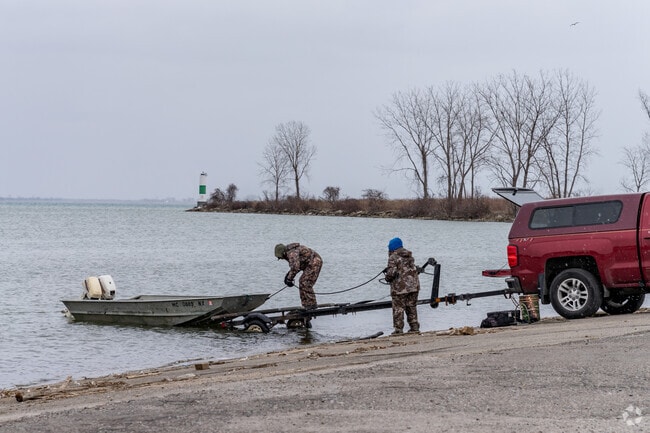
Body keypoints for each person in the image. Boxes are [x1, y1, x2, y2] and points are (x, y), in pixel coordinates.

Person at [383, 237, 420, 334]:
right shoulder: (409, 256)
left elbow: (392, 273)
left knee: (398, 308)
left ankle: (398, 330)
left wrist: (387, 277)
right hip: (413, 287)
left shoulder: (393, 257)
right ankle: (414, 328)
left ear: (392, 247)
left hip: (400, 288)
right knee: (411, 306)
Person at [274, 243, 322, 310]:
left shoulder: (292, 253)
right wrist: (288, 275)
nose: (281, 259)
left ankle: (312, 304)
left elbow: (295, 267)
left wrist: (289, 279)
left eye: (280, 257)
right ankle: (306, 304)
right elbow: (297, 265)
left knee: (305, 282)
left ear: (283, 253)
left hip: (315, 262)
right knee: (302, 282)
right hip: (308, 264)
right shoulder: (290, 252)